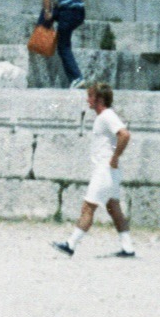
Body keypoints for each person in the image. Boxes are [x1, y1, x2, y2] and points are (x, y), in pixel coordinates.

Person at [53, 83, 135, 258]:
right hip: (109, 171)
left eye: (90, 96)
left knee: (88, 207)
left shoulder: (107, 116)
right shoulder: (104, 117)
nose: (87, 99)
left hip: (105, 169)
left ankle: (70, 244)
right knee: (114, 208)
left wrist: (115, 157)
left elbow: (125, 134)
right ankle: (128, 247)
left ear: (99, 99)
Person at [41, 0, 86, 88]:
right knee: (53, 12)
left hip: (68, 13)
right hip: (79, 13)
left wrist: (47, 11)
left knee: (63, 47)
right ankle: (44, 30)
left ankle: (77, 77)